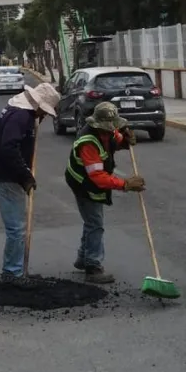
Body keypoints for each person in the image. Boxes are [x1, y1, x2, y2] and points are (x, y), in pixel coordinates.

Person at [0, 82, 61, 286]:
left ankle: (17, 269)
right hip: (5, 176)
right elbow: (8, 147)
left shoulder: (19, 112)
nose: (43, 116)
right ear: (38, 104)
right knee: (16, 228)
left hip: (2, 175)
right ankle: (13, 273)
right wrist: (25, 174)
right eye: (43, 112)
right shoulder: (21, 116)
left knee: (17, 227)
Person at [65, 101, 144, 284]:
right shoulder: (88, 142)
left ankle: (83, 258)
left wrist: (125, 140)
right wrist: (125, 184)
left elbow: (115, 139)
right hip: (83, 183)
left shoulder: (107, 132)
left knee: (91, 221)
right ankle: (93, 267)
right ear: (98, 124)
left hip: (90, 181)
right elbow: (98, 177)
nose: (111, 131)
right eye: (109, 128)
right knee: (95, 224)